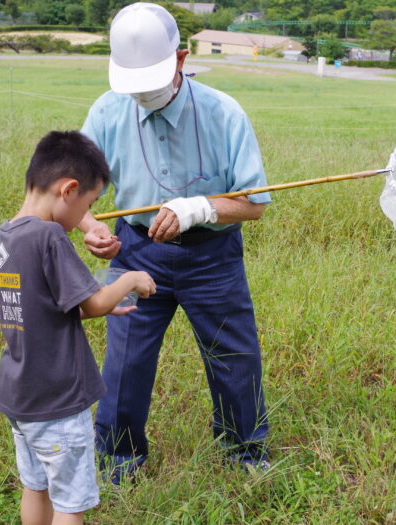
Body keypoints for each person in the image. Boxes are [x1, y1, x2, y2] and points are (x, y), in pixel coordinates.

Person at [79, 2, 271, 482]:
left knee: (233, 356)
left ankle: (244, 454)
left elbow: (256, 202)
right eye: (133, 84)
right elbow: (73, 192)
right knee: (125, 362)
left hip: (213, 257)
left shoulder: (224, 113)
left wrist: (202, 207)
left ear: (181, 60)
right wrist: (91, 228)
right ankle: (119, 460)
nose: (142, 93)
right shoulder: (106, 111)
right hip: (135, 251)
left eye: (152, 81)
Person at [0, 130, 157, 524]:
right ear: (69, 190)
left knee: (36, 486)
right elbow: (95, 302)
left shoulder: (5, 237)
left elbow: (44, 307)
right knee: (70, 503)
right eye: (90, 203)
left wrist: (104, 304)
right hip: (58, 401)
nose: (87, 214)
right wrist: (130, 280)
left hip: (21, 398)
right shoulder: (49, 236)